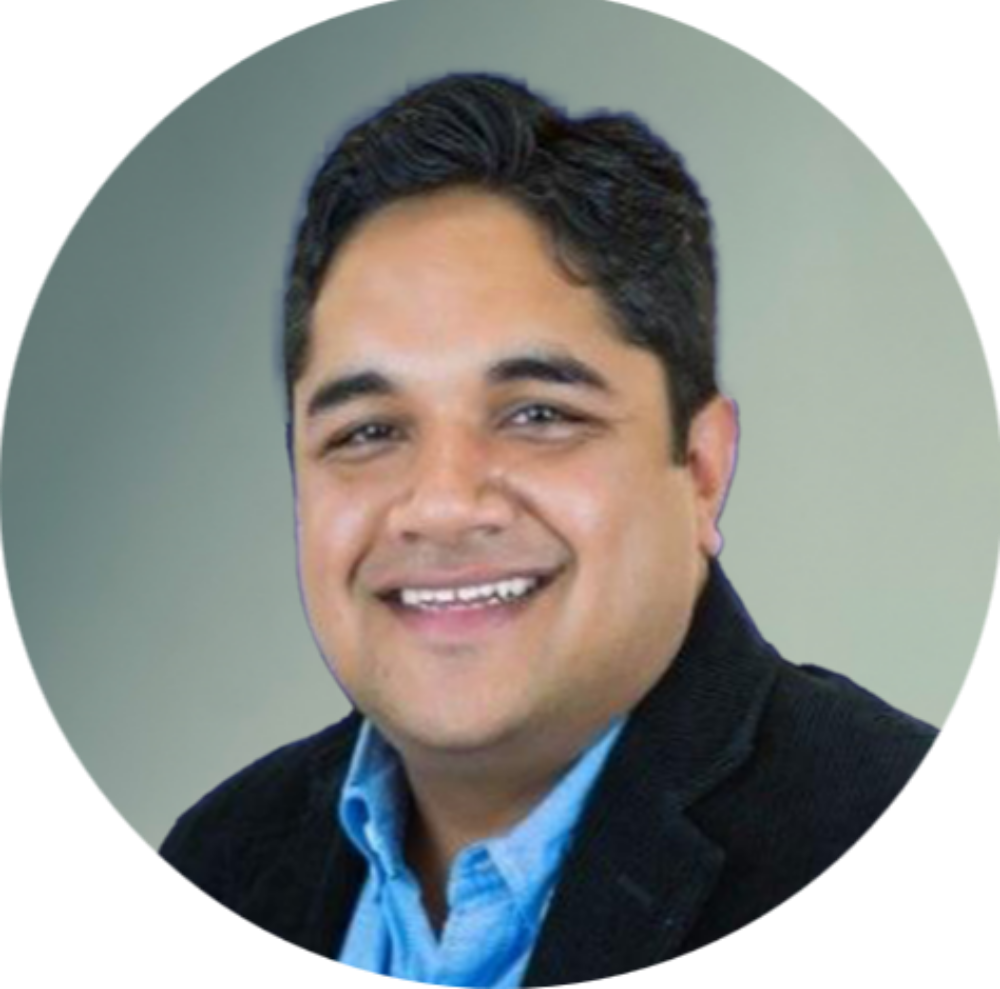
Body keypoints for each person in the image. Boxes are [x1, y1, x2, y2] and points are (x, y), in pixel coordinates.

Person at [157, 72, 941, 982]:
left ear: (702, 467)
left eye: (538, 415)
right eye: (368, 432)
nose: (442, 504)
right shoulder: (221, 858)